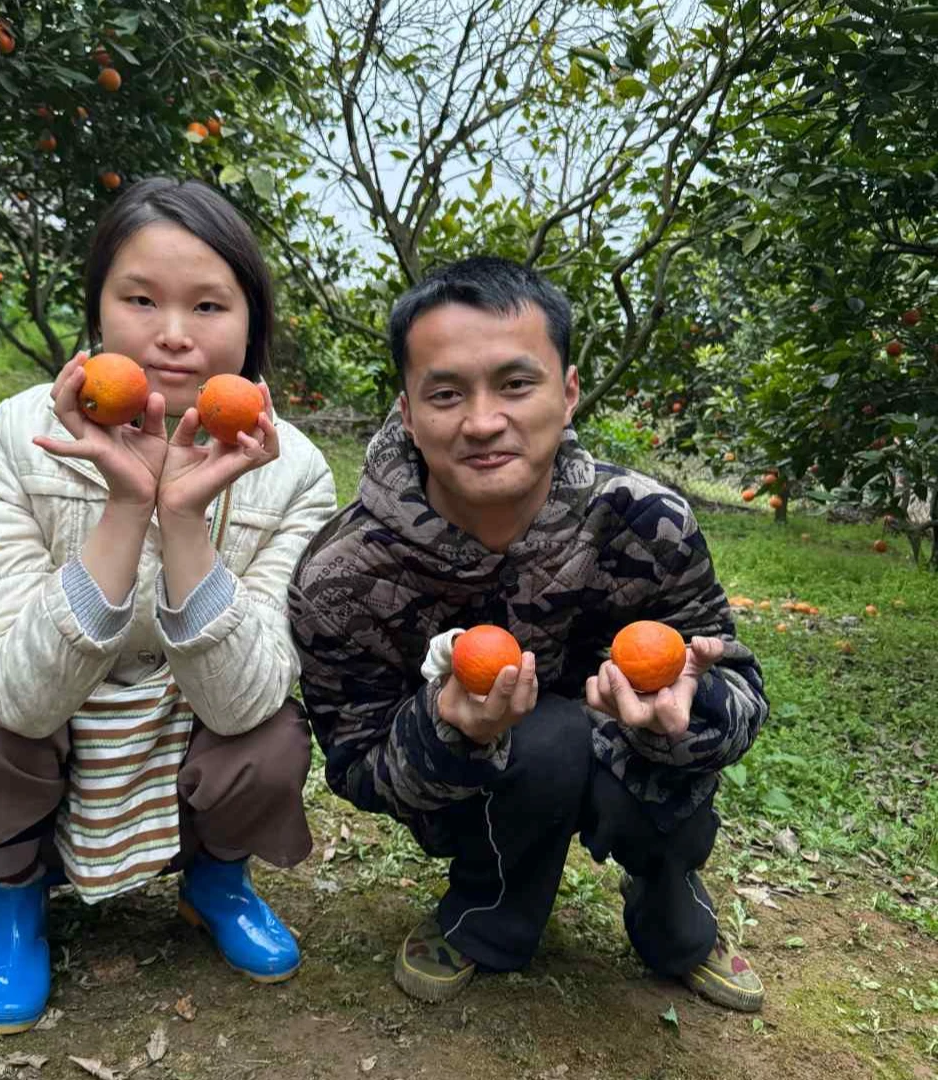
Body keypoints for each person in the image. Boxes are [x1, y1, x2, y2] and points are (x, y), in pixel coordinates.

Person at [0, 177, 336, 1034]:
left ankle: (215, 881)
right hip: (50, 713)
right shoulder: (14, 439)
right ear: (99, 311)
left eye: (209, 305)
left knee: (272, 740)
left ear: (251, 325)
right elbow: (19, 698)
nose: (173, 335)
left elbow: (245, 700)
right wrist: (126, 506)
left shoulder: (295, 471)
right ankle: (13, 891)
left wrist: (181, 520)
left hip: (193, 704)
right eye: (140, 299)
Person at [289, 256, 769, 1012]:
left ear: (568, 392)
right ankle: (487, 912)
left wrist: (691, 713)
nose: (482, 422)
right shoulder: (341, 573)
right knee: (546, 742)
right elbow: (355, 764)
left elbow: (738, 682)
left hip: (633, 762)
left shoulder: (649, 523)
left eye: (516, 384)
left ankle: (677, 916)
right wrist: (446, 731)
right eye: (446, 393)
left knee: (625, 752)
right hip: (484, 787)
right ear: (407, 412)